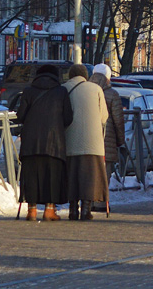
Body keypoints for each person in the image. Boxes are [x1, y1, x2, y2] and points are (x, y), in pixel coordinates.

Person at [15, 64, 73, 221]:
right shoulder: (61, 92)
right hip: (54, 142)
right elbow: (68, 118)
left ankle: (31, 211)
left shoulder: (28, 91)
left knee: (31, 174)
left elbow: (20, 116)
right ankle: (49, 210)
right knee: (52, 175)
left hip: (31, 142)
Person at [63, 63, 107, 221]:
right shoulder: (96, 89)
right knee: (89, 177)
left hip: (70, 141)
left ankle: (72, 209)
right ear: (85, 75)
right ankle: (86, 209)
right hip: (93, 143)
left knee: (72, 175)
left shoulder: (64, 89)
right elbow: (104, 117)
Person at [89, 63, 126, 207]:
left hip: (88, 139)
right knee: (105, 173)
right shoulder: (112, 94)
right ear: (108, 78)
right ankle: (101, 202)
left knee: (90, 171)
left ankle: (89, 202)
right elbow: (118, 120)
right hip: (106, 139)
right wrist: (120, 140)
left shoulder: (86, 91)